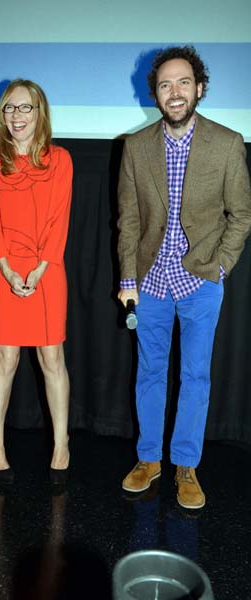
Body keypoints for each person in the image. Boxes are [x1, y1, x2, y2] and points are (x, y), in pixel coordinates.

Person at [117, 46, 251, 508]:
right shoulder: (135, 147)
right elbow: (129, 221)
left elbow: (242, 215)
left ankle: (186, 465)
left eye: (183, 82)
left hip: (200, 283)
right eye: (164, 84)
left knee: (195, 376)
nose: (174, 92)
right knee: (150, 373)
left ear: (200, 88)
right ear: (154, 93)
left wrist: (220, 266)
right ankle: (149, 459)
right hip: (150, 281)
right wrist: (127, 278)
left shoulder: (228, 143)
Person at [0, 79, 73, 485]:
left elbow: (59, 219)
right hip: (3, 271)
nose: (17, 116)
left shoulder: (61, 159)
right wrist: (6, 269)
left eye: (25, 108)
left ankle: (61, 442)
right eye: (10, 108)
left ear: (40, 113)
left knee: (52, 360)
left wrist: (40, 269)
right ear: (2, 115)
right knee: (6, 359)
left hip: (47, 271)